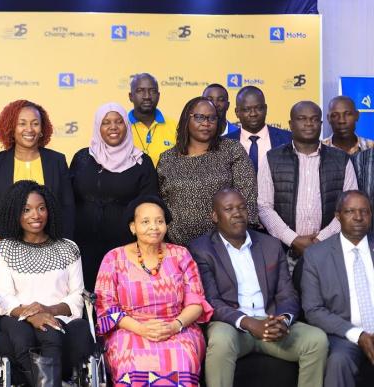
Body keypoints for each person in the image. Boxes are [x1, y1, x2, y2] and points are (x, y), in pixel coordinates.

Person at [189, 188, 328, 387]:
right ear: (214, 216)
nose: (237, 213)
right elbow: (212, 301)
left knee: (317, 340)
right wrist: (249, 323)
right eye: (229, 209)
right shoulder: (201, 249)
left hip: (271, 323)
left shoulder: (270, 244)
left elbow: (286, 293)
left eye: (242, 207)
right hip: (232, 326)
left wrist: (283, 321)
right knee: (219, 341)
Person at [95, 194, 212, 386]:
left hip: (177, 328)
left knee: (183, 358)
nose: (154, 227)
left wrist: (175, 325)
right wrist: (140, 328)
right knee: (130, 363)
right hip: (130, 329)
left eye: (160, 221)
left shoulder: (180, 254)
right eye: (146, 221)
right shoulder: (114, 258)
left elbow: (196, 302)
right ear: (133, 227)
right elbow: (106, 306)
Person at [0, 180, 93, 386]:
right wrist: (32, 315)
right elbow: (4, 296)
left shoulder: (68, 248)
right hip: (18, 319)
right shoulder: (5, 249)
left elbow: (77, 295)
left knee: (53, 332)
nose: (35, 215)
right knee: (22, 336)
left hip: (61, 319)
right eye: (26, 210)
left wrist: (47, 310)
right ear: (15, 213)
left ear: (50, 210)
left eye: (41, 208)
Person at [258, 101, 358, 273]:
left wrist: (320, 241)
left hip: (330, 251)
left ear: (321, 124)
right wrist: (294, 240)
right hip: (283, 252)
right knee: (288, 299)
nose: (309, 124)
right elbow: (263, 207)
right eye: (302, 119)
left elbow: (350, 208)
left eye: (314, 119)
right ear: (290, 124)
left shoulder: (341, 160)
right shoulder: (272, 159)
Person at [70, 102, 158, 291]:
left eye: (119, 122)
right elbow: (69, 200)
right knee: (87, 297)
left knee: (123, 297)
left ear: (126, 125)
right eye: (106, 122)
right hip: (84, 245)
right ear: (97, 127)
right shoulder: (82, 158)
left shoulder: (141, 162)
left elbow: (149, 205)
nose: (113, 127)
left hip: (126, 247)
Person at [157, 96, 258, 247]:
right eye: (199, 117)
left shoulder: (232, 150)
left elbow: (247, 197)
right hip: (178, 250)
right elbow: (160, 203)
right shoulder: (168, 158)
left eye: (212, 118)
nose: (206, 123)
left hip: (224, 248)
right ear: (186, 119)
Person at [0, 99, 74, 254]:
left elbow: (68, 208)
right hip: (8, 249)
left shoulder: (57, 161)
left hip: (51, 248)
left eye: (35, 123)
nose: (29, 129)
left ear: (42, 128)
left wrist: (64, 244)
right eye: (22, 123)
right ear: (11, 128)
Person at [301, 190, 374, 386]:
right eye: (350, 211)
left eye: (364, 211)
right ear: (338, 216)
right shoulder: (316, 256)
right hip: (344, 334)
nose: (358, 217)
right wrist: (358, 335)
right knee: (338, 361)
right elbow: (313, 310)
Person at [224, 86, 292, 172]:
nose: (253, 114)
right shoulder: (224, 143)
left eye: (258, 108)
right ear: (237, 112)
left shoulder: (287, 139)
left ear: (266, 109)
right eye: (246, 109)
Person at [127, 73, 176, 166]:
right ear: (131, 96)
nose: (147, 96)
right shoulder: (121, 127)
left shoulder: (175, 126)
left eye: (152, 91)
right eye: (140, 91)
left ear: (158, 95)